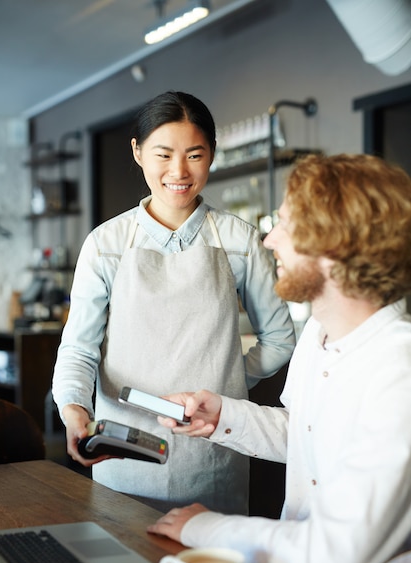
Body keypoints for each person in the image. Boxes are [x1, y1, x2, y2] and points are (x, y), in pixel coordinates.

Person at [148, 153, 411, 563]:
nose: (270, 239)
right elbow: (305, 432)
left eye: (285, 225)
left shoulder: (399, 371)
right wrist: (222, 416)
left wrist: (205, 528)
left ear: (332, 245)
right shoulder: (318, 330)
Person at [52, 90, 295, 514]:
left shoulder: (238, 240)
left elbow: (279, 339)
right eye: (163, 155)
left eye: (195, 155)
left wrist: (228, 382)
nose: (178, 171)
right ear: (138, 152)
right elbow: (78, 349)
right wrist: (75, 413)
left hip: (212, 450)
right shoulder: (106, 244)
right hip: (123, 450)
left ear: (213, 154)